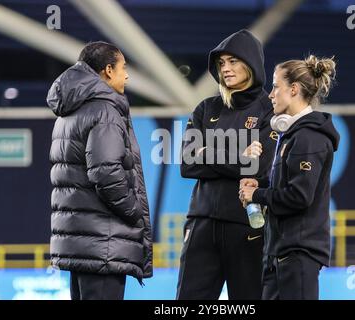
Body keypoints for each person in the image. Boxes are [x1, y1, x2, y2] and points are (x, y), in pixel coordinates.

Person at [46, 41, 152, 300]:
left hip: (81, 241)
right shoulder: (105, 108)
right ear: (107, 70)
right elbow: (106, 174)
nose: (126, 75)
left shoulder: (69, 110)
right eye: (123, 68)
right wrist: (134, 211)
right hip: (103, 242)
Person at [176, 29, 277, 300]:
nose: (226, 68)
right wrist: (239, 154)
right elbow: (187, 164)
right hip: (201, 222)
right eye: (221, 63)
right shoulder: (205, 108)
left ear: (251, 63)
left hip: (247, 225)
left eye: (233, 61)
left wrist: (209, 151)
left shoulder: (270, 109)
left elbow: (260, 169)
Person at [240, 55, 339, 300]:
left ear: (293, 89)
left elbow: (299, 196)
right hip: (281, 252)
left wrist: (258, 195)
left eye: (275, 86)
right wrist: (261, 184)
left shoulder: (308, 137)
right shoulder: (294, 135)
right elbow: (287, 185)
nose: (270, 94)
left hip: (297, 253)